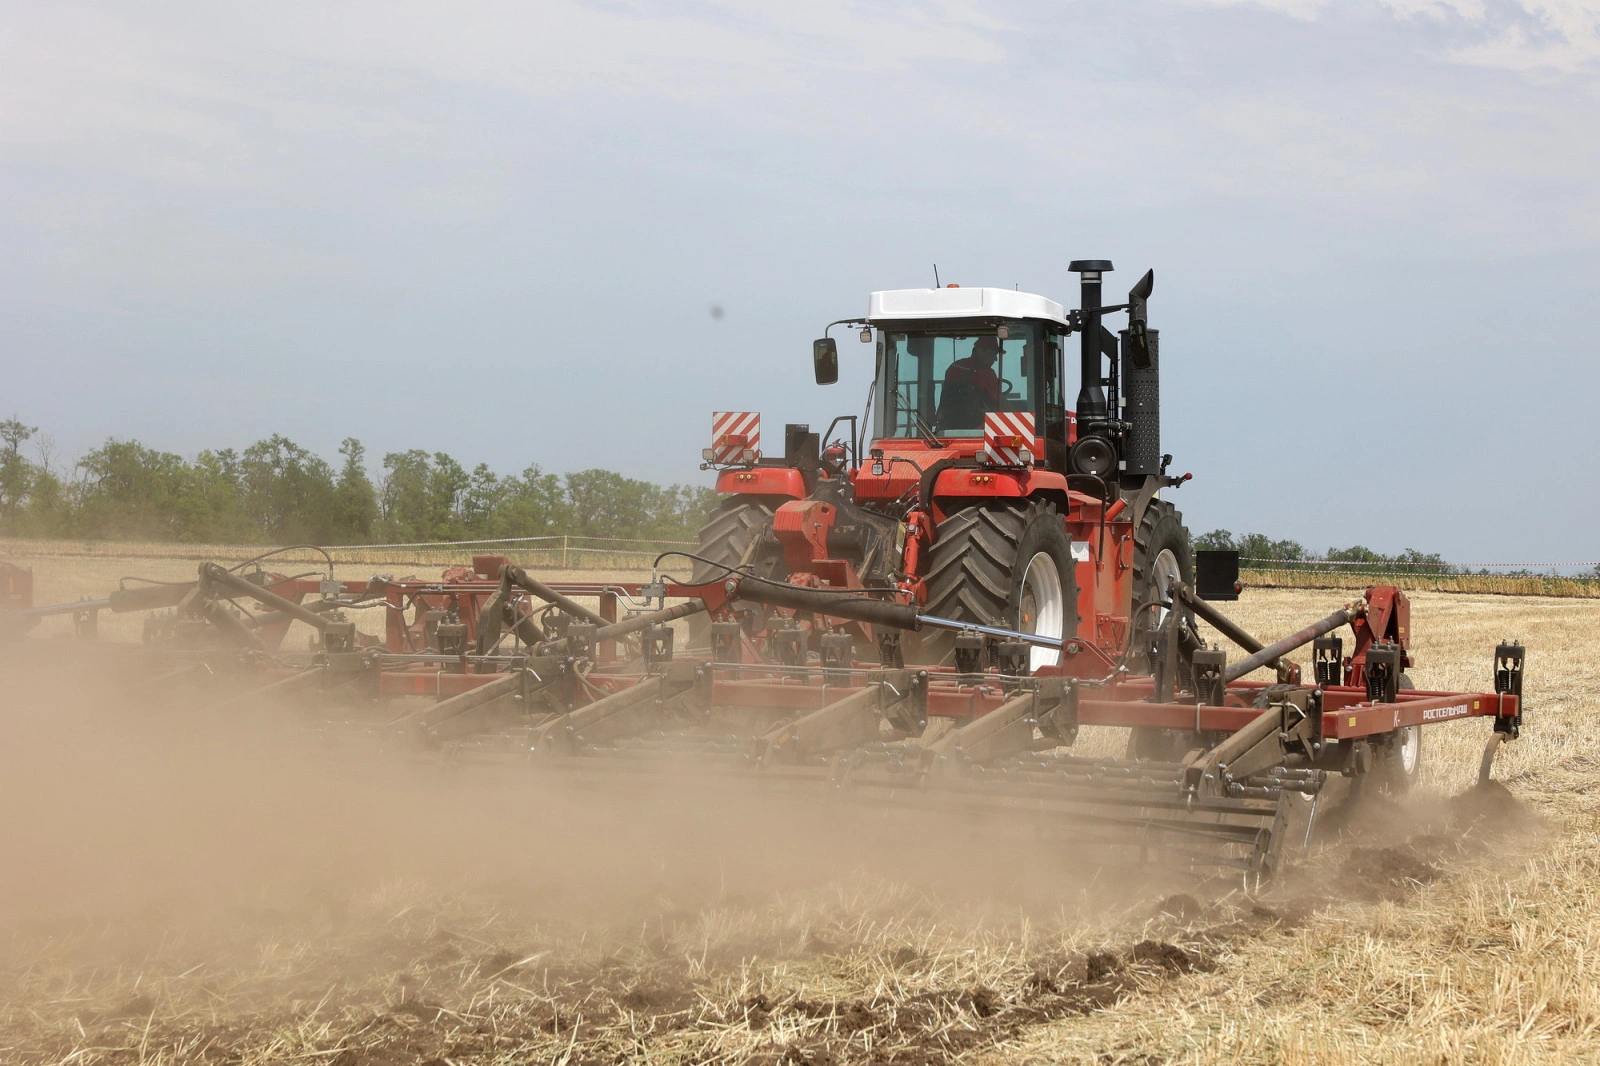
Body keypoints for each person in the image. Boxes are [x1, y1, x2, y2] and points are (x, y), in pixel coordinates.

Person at [936, 336, 1002, 430]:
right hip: (978, 428)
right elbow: (999, 402)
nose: (995, 359)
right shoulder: (986, 373)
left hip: (947, 425)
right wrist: (1016, 412)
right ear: (980, 351)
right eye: (993, 354)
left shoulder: (954, 366)